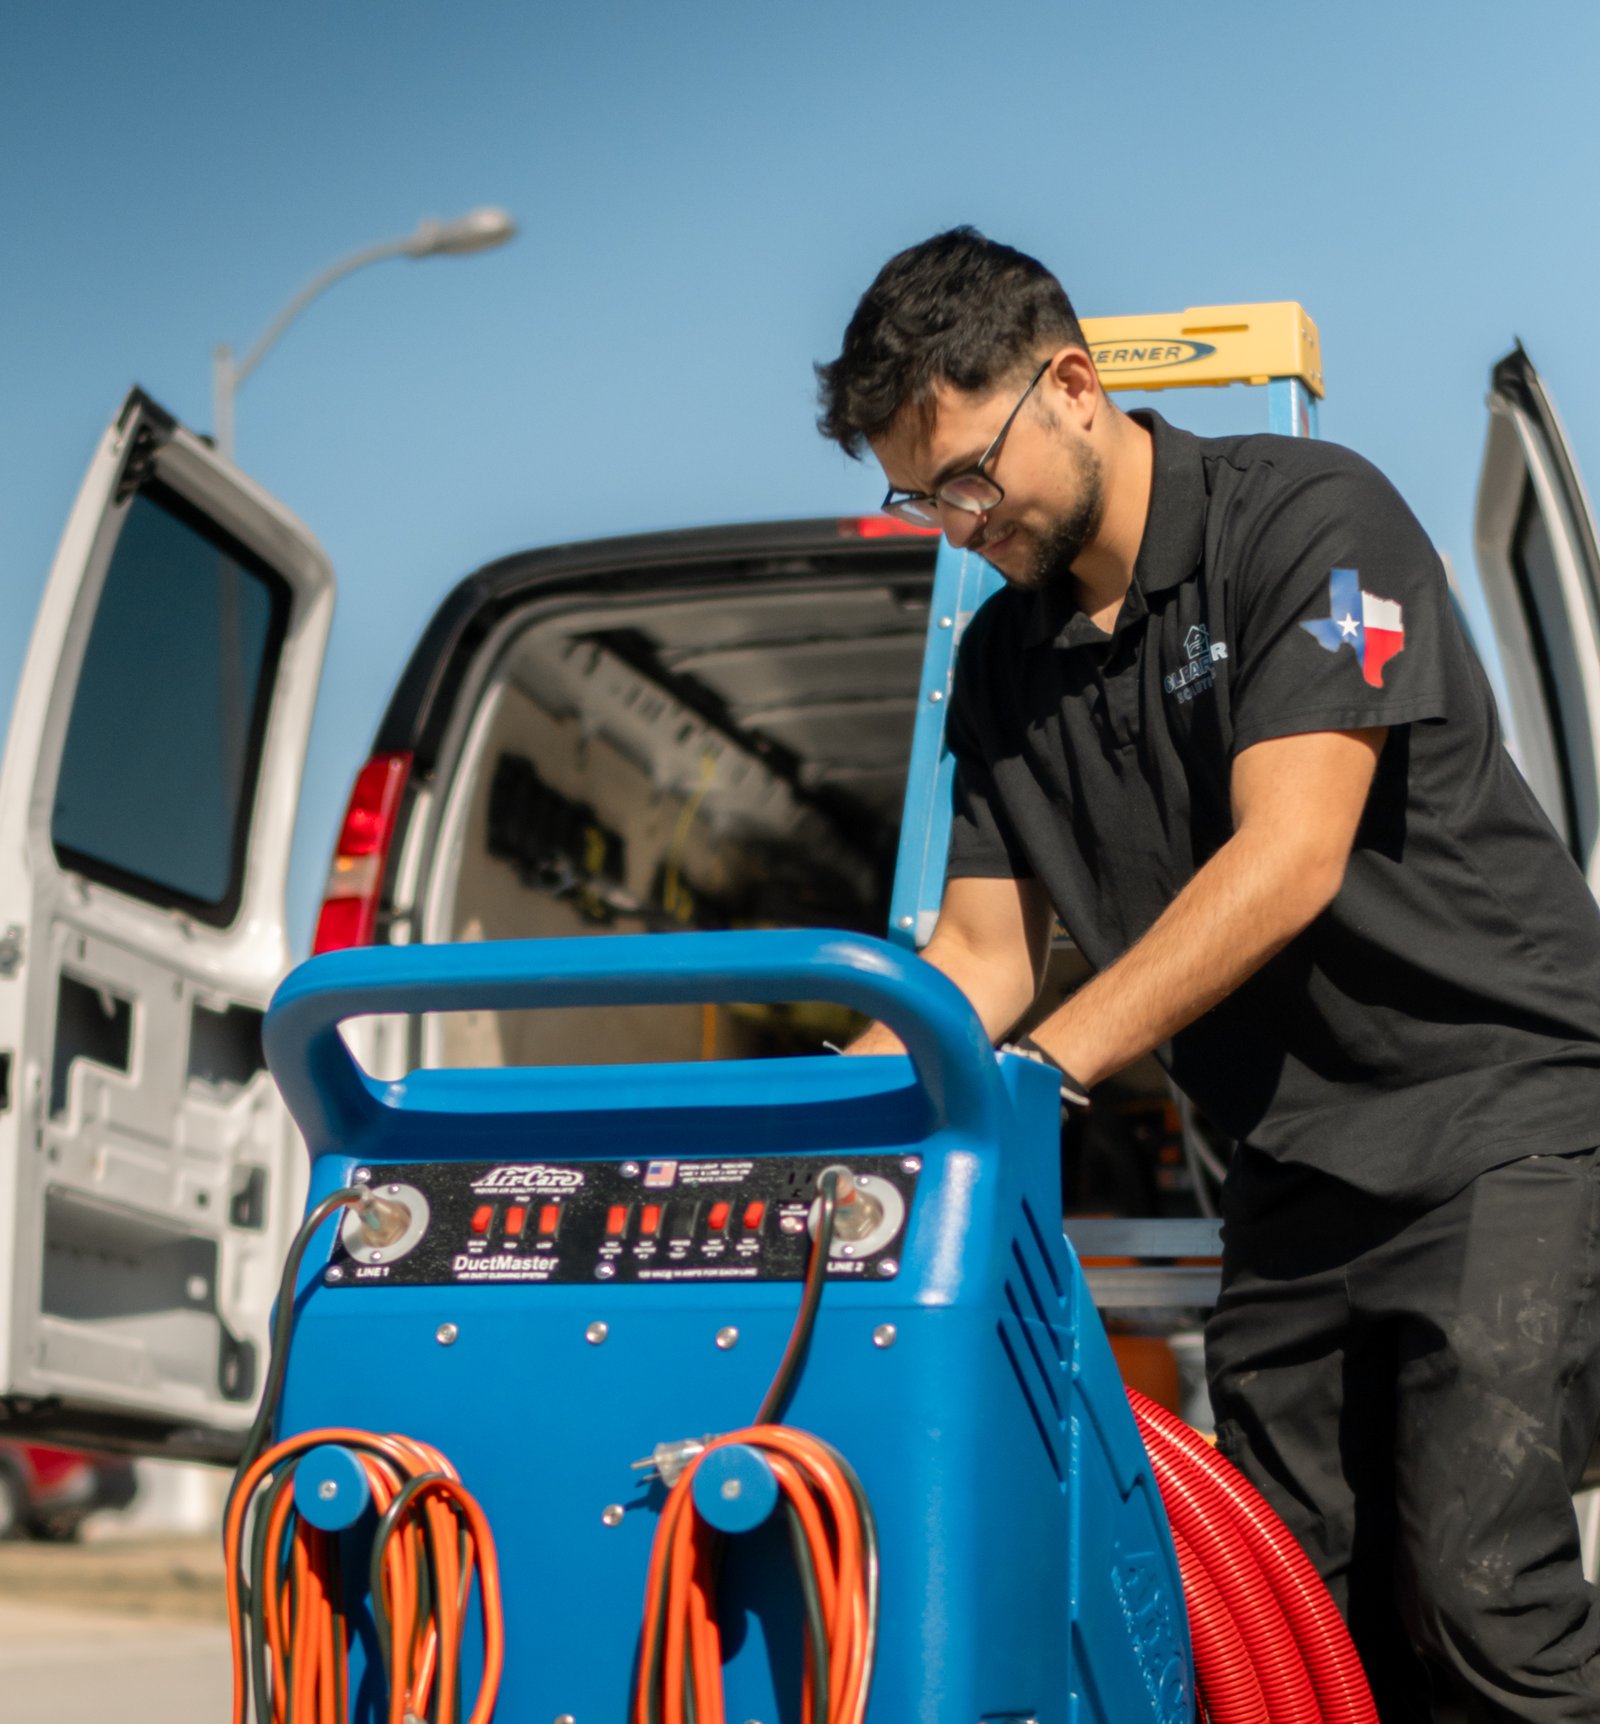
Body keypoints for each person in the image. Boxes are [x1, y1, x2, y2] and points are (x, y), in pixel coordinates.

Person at [815, 226, 1600, 1721]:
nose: (955, 522)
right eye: (917, 496)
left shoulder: (1313, 520)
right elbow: (980, 961)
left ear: (1070, 383)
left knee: (1480, 1595)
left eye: (969, 476)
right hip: (1294, 1181)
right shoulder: (1002, 668)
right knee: (1296, 1625)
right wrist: (805, 1129)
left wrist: (1050, 1069)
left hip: (1502, 1121)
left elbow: (1291, 854)